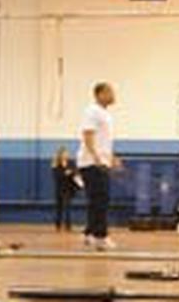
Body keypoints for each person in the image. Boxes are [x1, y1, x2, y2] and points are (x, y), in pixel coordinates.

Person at [77, 82, 121, 251]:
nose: (113, 95)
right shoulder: (92, 111)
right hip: (91, 163)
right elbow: (88, 134)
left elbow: (103, 141)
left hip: (100, 161)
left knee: (96, 200)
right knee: (100, 200)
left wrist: (111, 158)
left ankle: (89, 233)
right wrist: (95, 157)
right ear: (100, 94)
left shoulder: (105, 114)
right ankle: (100, 236)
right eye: (110, 91)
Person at [52, 147, 80, 231]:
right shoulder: (56, 165)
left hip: (68, 189)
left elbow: (75, 173)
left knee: (67, 208)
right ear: (59, 155)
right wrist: (65, 174)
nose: (65, 155)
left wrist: (73, 175)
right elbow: (56, 177)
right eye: (63, 153)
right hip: (59, 189)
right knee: (59, 208)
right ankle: (58, 225)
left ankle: (68, 226)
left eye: (66, 153)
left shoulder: (71, 163)